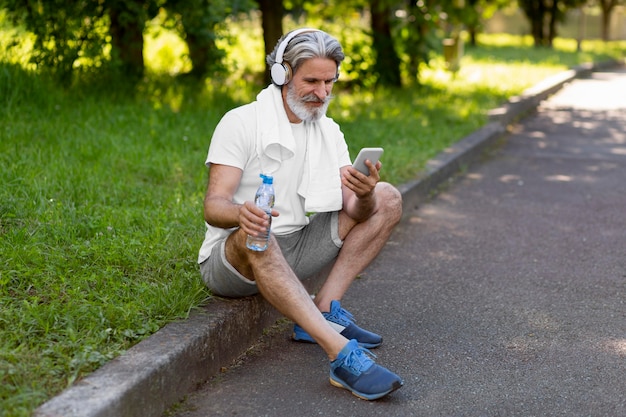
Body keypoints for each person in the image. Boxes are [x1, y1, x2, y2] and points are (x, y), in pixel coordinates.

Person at [198, 28, 404, 400]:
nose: (322, 93)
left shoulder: (329, 131)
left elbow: (357, 211)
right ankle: (340, 354)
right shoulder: (240, 122)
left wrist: (367, 195)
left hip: (294, 246)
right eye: (311, 80)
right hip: (233, 260)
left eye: (330, 82)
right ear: (283, 73)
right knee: (258, 232)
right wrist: (241, 214)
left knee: (388, 196)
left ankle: (323, 311)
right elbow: (213, 206)